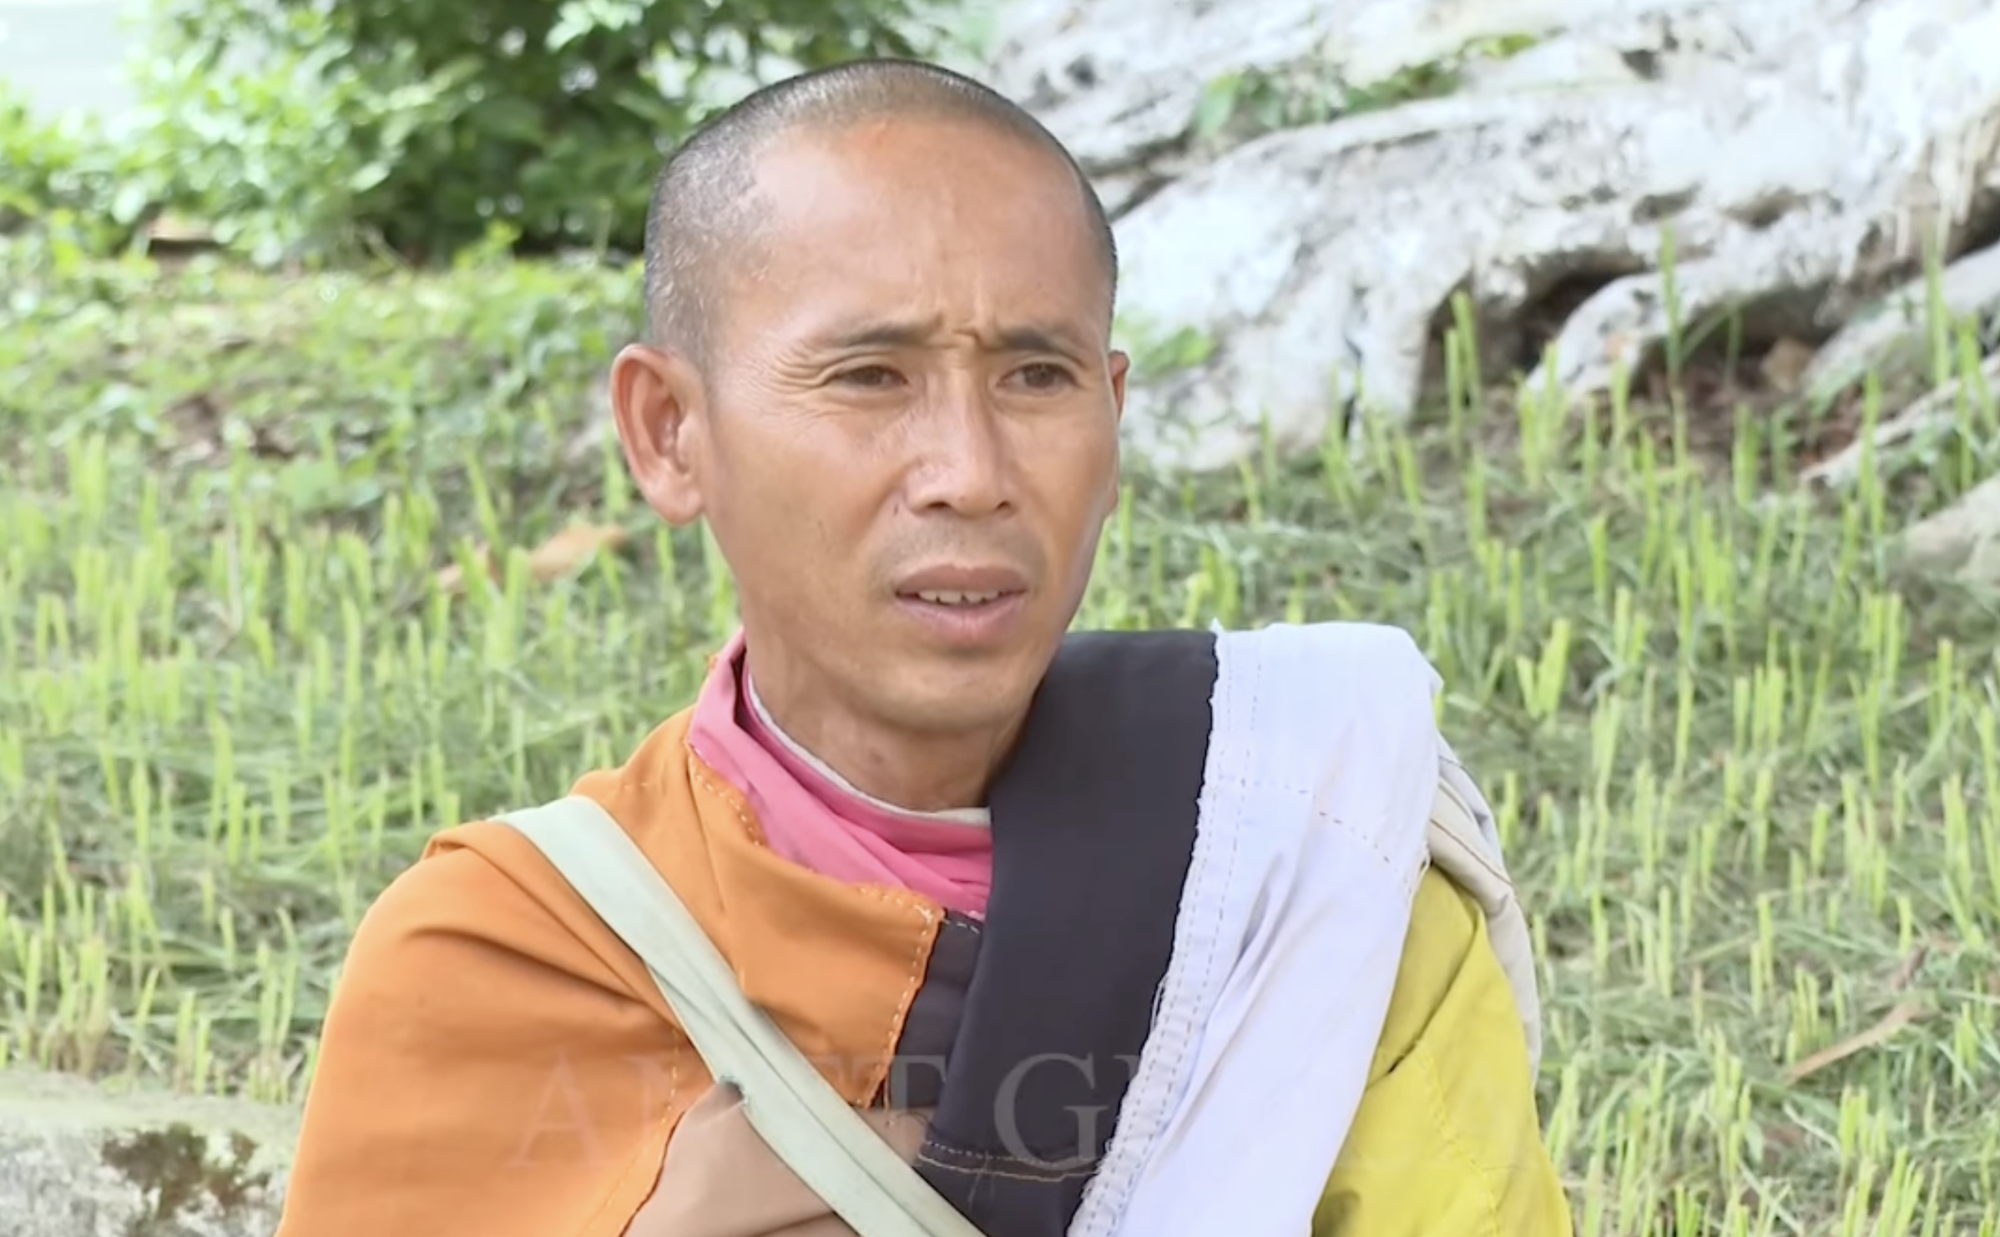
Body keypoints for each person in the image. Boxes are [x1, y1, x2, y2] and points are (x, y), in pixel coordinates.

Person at [274, 57, 1573, 1237]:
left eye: (1035, 377)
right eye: (869, 377)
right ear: (670, 432)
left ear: (1112, 422)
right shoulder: (501, 961)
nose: (968, 473)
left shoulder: (1311, 866)